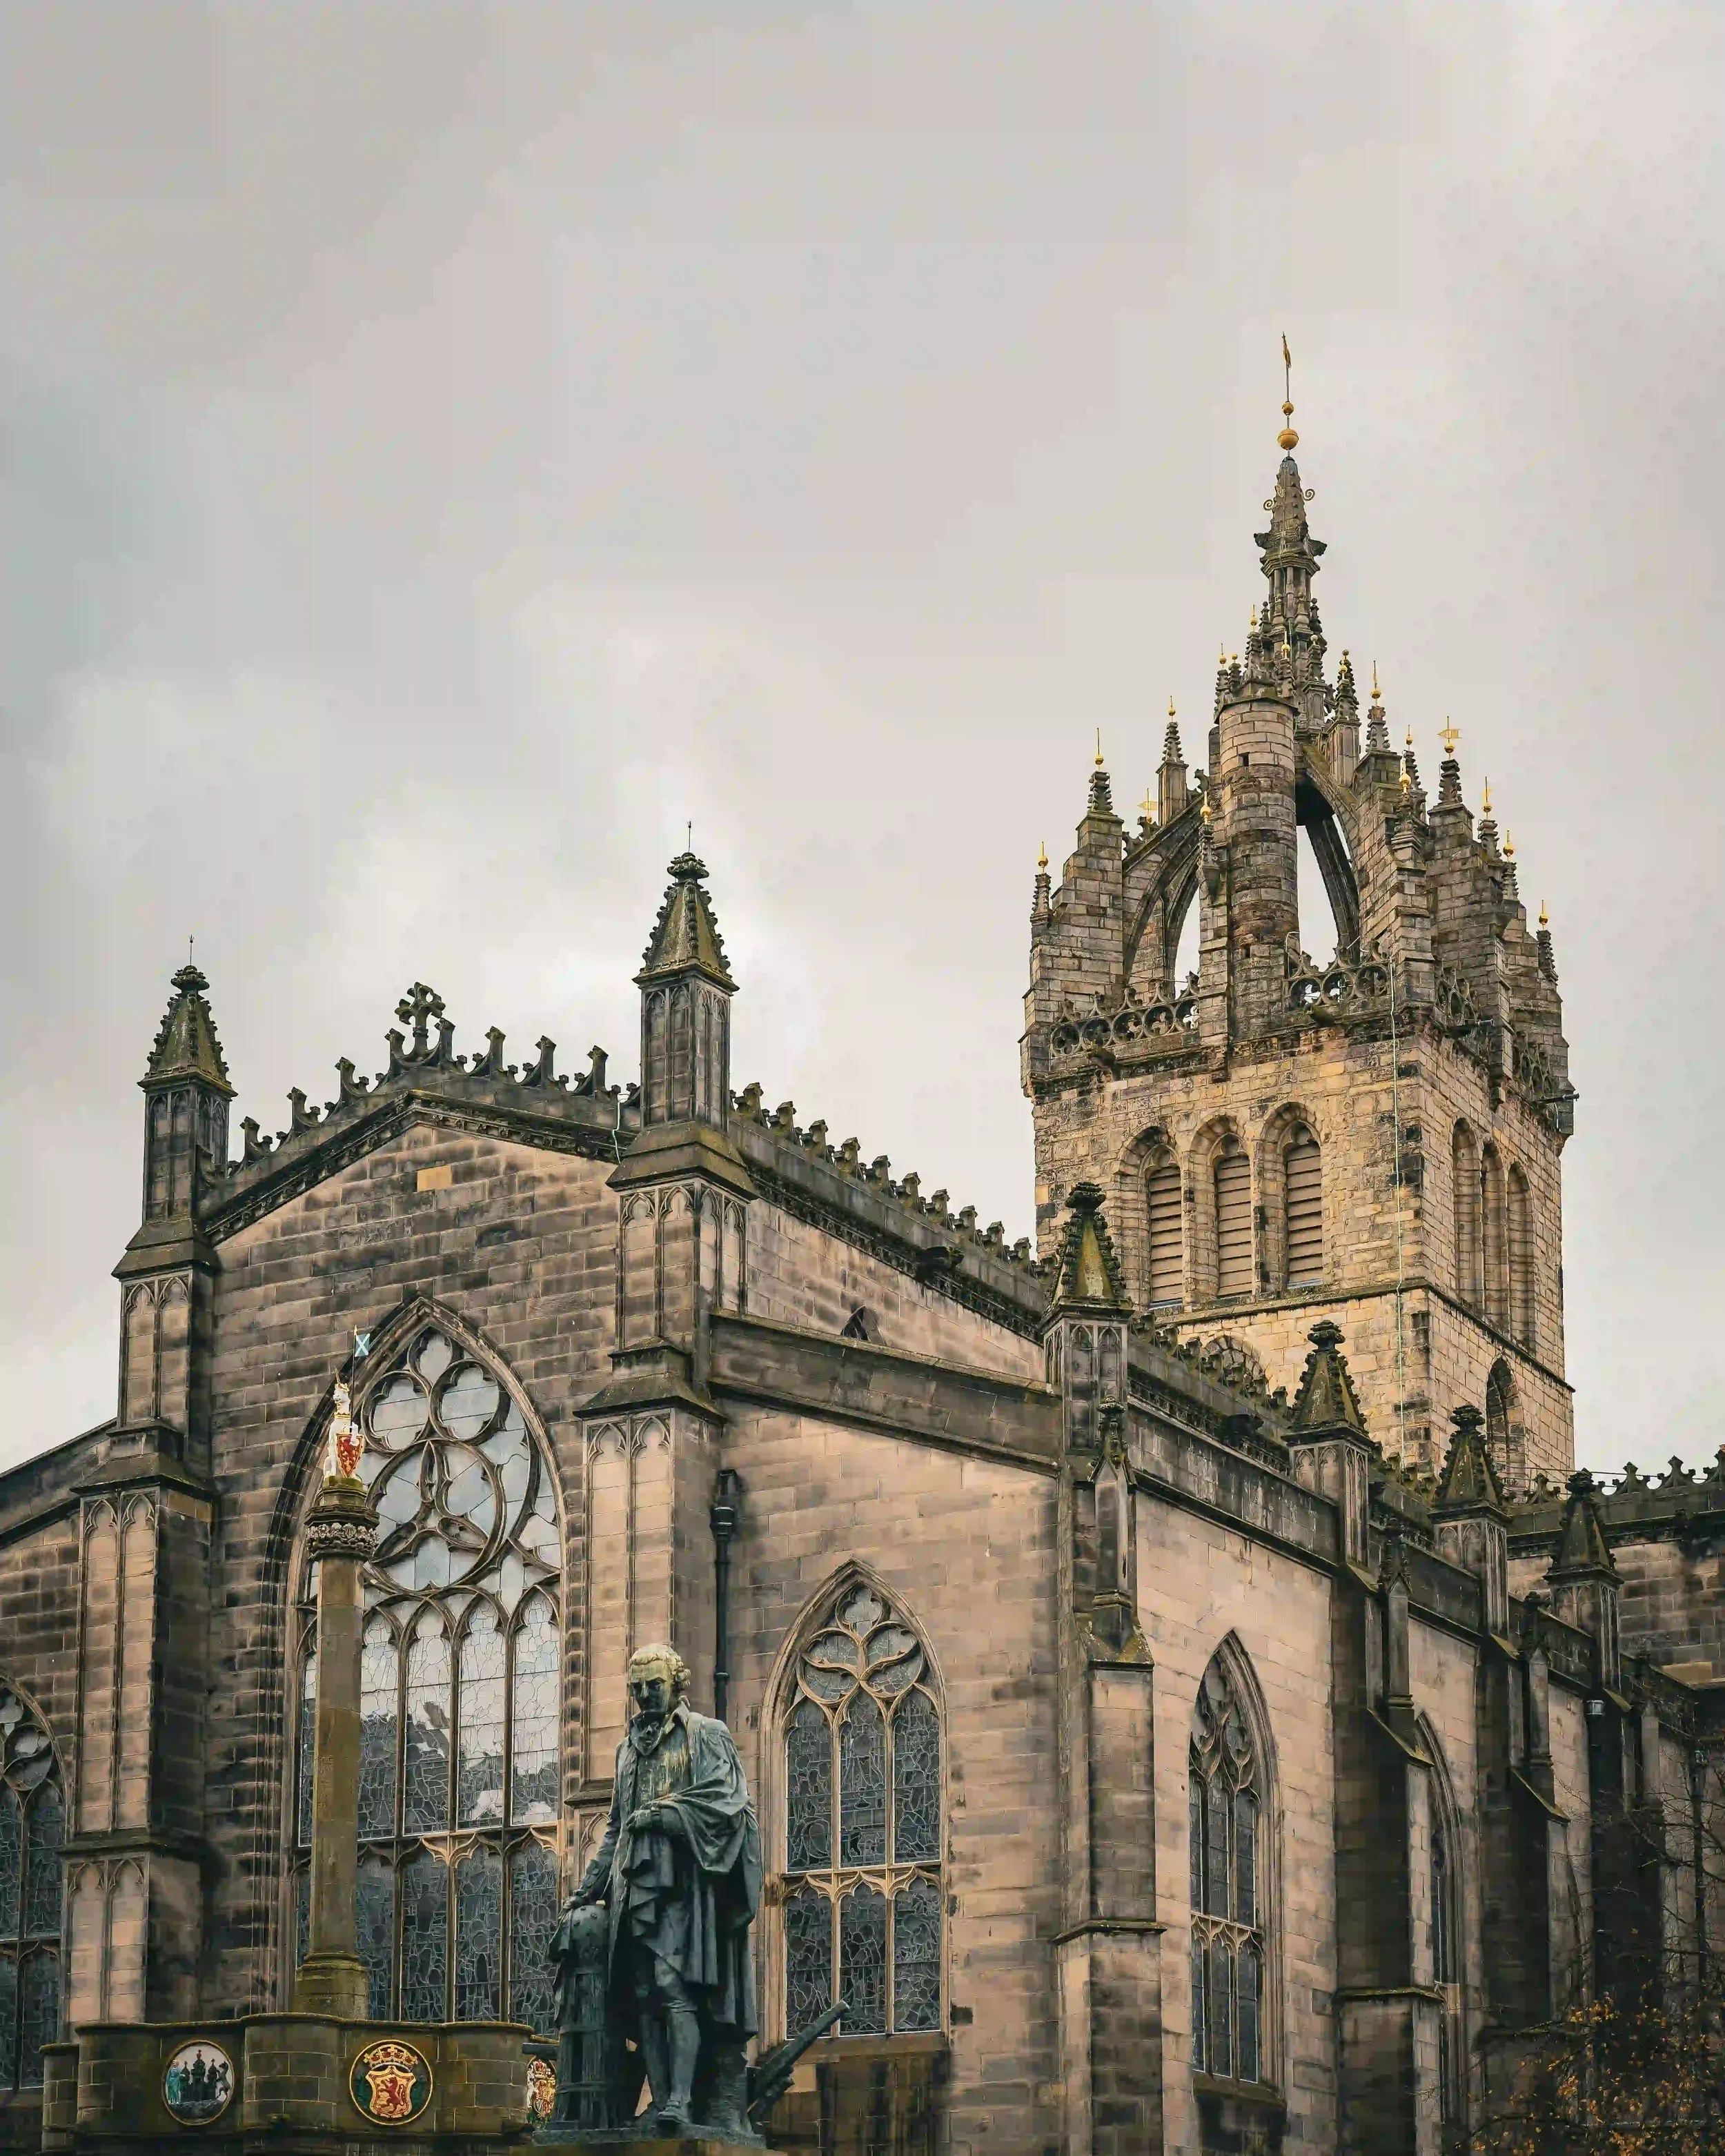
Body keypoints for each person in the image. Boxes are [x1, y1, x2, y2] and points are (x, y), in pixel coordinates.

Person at [554, 1643, 762, 2137]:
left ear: (677, 1684)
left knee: (674, 1989)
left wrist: (669, 1813)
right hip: (634, 1887)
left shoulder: (706, 1735)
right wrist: (586, 1890)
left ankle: (684, 2100)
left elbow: (727, 1803)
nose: (645, 1695)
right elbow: (616, 1829)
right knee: (644, 1994)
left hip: (687, 1889)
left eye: (655, 1685)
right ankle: (663, 2099)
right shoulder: (627, 1749)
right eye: (637, 1688)